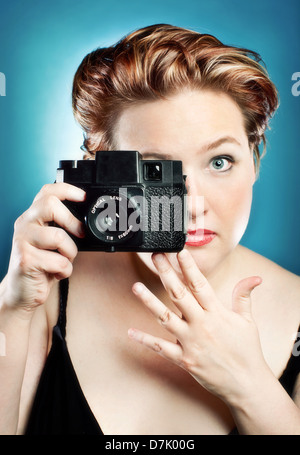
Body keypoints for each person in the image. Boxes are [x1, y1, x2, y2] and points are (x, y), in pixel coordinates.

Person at [0, 23, 299, 436]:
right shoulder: (50, 289)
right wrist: (12, 308)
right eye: (154, 171)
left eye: (219, 162)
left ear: (254, 162)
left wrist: (250, 387)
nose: (192, 205)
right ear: (103, 170)